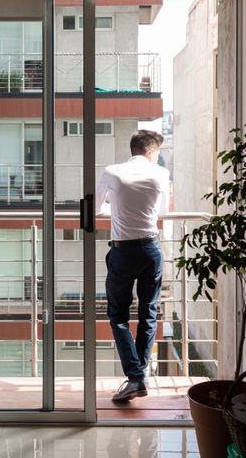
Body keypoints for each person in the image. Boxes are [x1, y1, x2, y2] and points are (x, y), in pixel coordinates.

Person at [95, 129, 170, 402]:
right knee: (149, 312)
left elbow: (94, 209)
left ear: (133, 149)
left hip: (124, 251)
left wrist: (118, 208)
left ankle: (135, 377)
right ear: (151, 152)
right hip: (151, 249)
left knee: (118, 315)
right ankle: (140, 374)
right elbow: (164, 213)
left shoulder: (112, 172)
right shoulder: (161, 173)